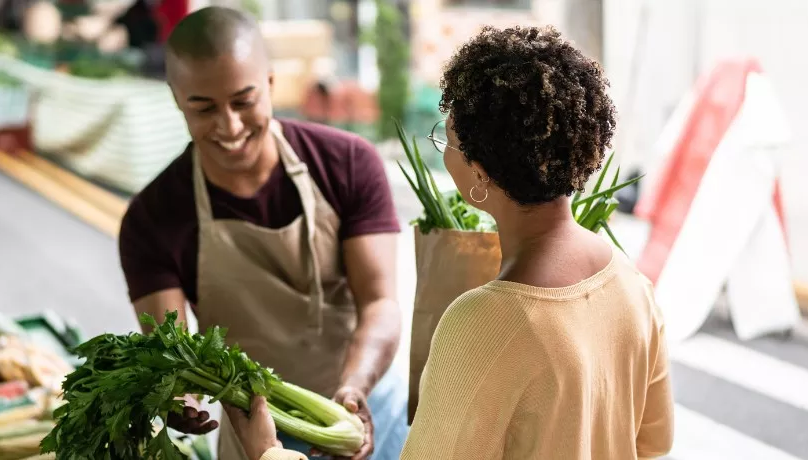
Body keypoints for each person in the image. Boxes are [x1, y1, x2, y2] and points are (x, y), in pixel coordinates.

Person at [228, 25, 676, 460]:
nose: (442, 149)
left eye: (448, 138)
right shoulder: (631, 283)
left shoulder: (483, 323)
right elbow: (653, 443)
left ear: (480, 175)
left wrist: (267, 452)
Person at [117, 6, 408, 460]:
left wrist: (354, 388)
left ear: (270, 84)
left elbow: (380, 303)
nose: (229, 126)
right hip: (256, 436)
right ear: (176, 98)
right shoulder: (151, 218)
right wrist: (182, 402)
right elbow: (170, 352)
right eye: (204, 107)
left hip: (363, 412)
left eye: (243, 101)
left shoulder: (349, 163)